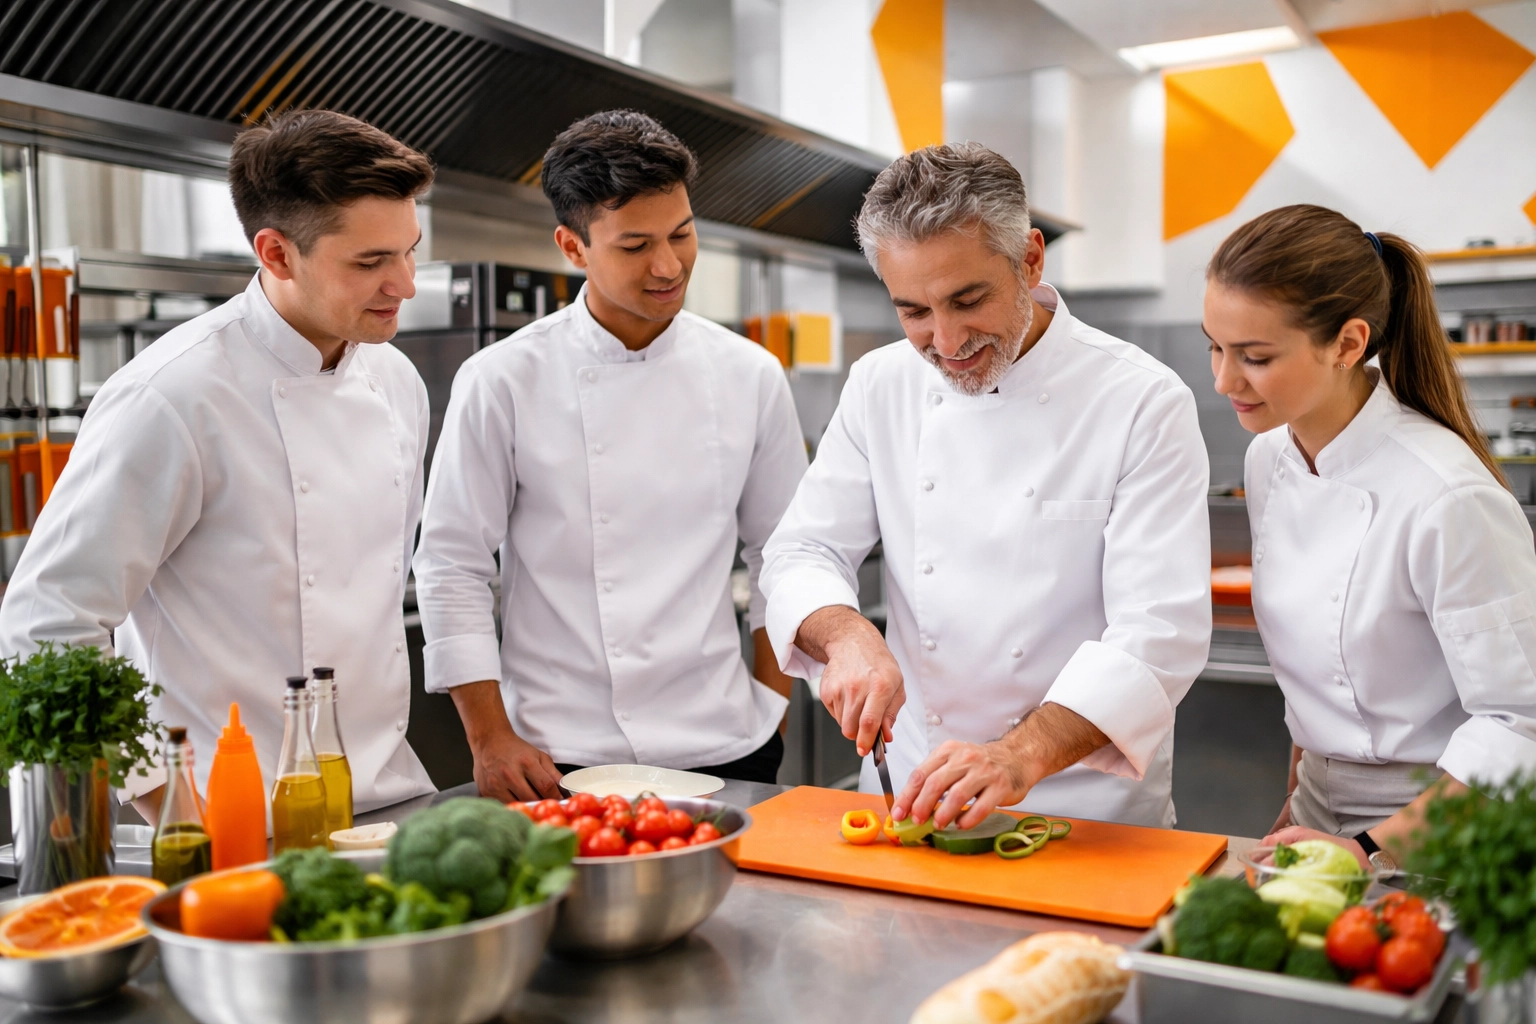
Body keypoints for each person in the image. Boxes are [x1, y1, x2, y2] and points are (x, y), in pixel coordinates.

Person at [0, 109, 438, 816]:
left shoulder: (397, 383)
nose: (407, 284)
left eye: (409, 250)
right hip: (233, 820)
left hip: (385, 802)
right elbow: (46, 625)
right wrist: (169, 803)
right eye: (371, 262)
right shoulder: (171, 396)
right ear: (276, 253)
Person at [761, 143, 1211, 830]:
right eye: (913, 312)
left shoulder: (1141, 399)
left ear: (1030, 260)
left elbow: (1158, 631)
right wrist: (848, 635)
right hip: (913, 786)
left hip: (1081, 808)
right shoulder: (880, 384)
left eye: (968, 299)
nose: (945, 340)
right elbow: (802, 551)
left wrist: (1018, 755)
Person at [413, 110, 807, 801]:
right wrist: (489, 738)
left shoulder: (749, 373)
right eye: (634, 246)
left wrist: (772, 708)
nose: (668, 265)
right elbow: (451, 565)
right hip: (558, 752)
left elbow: (784, 553)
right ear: (573, 247)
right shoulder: (503, 378)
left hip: (726, 745)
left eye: (682, 235)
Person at [1206, 204, 1536, 872]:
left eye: (1255, 357)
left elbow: (1520, 723)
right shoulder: (1269, 457)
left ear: (1349, 344)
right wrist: (1298, 798)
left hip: (1448, 824)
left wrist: (1365, 849)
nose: (1224, 381)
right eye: (1214, 346)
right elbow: (1317, 679)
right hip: (1317, 810)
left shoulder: (1447, 494)